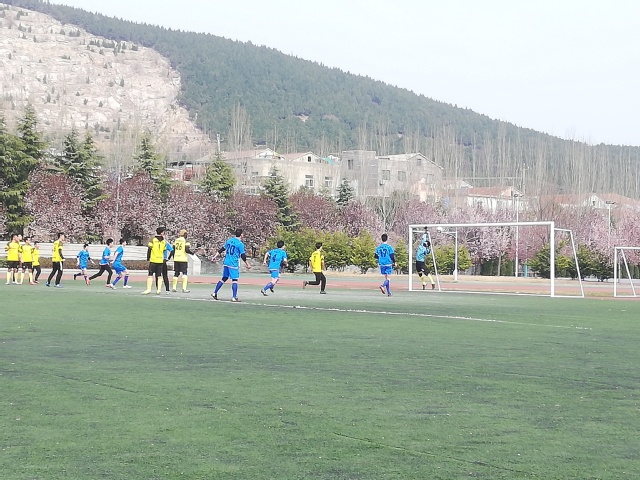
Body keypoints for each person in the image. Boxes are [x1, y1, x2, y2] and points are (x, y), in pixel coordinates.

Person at [211, 228, 251, 302]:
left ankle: (214, 293)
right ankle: (234, 297)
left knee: (224, 278)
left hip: (226, 263)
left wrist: (214, 256)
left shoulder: (229, 241)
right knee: (234, 280)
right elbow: (243, 255)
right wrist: (247, 263)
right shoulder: (240, 244)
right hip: (233, 264)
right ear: (241, 235)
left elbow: (221, 249)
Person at [142, 227, 167, 295]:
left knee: (150, 274)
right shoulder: (164, 241)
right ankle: (158, 290)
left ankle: (148, 289)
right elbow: (164, 250)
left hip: (153, 260)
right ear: (161, 233)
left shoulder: (152, 239)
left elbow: (149, 249)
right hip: (160, 260)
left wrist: (148, 258)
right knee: (159, 275)